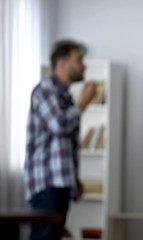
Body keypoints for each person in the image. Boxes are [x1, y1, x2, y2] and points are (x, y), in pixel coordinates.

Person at [24, 40, 96, 240]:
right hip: (47, 182)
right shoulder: (45, 90)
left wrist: (74, 178)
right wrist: (84, 103)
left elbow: (64, 145)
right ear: (62, 64)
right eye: (79, 60)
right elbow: (59, 125)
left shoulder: (64, 96)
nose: (84, 65)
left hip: (59, 182)